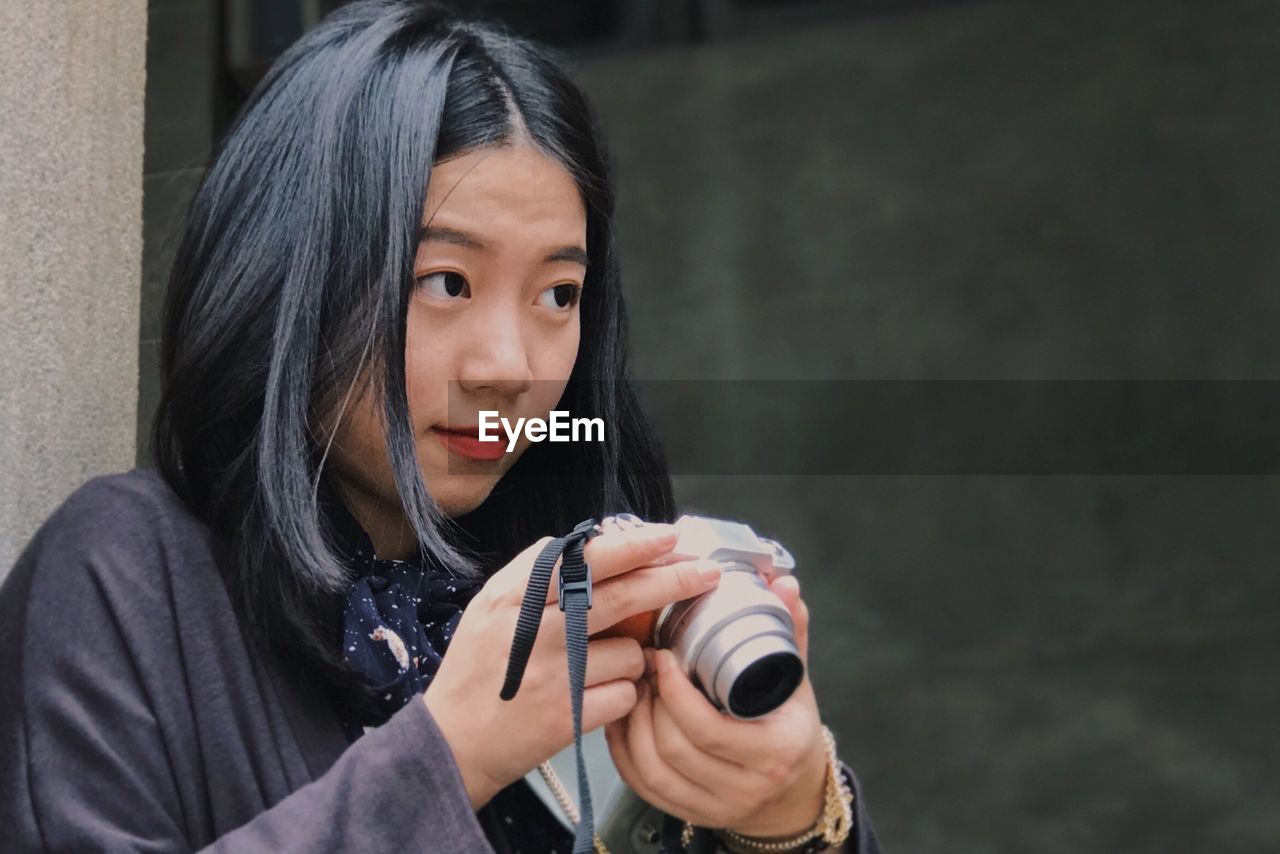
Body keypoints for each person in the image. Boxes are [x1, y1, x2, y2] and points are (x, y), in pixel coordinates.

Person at [0, 1, 878, 851]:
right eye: (446, 282)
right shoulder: (127, 573)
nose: (509, 365)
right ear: (288, 274)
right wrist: (450, 754)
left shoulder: (601, 608)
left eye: (558, 295)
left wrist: (790, 811)